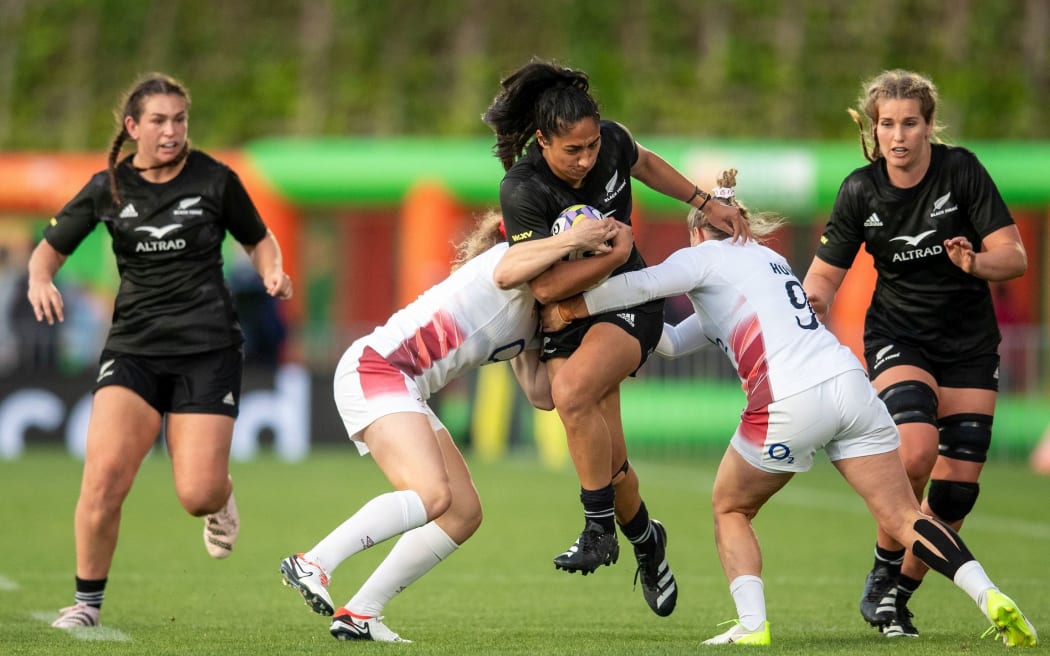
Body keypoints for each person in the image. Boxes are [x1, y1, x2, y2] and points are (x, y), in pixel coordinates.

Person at [542, 170, 1038, 648]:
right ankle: (988, 594)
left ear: (700, 227)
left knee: (730, 507)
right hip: (848, 384)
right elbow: (669, 342)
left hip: (790, 399)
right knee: (905, 515)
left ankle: (752, 624)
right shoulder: (764, 259)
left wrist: (567, 307)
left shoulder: (707, 255)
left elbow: (639, 287)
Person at [481, 57, 748, 618]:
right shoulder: (522, 188)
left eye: (591, 147)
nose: (585, 160)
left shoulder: (613, 142)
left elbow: (644, 161)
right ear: (541, 141)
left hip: (631, 303)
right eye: (571, 151)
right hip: (566, 314)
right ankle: (648, 544)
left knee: (570, 393)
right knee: (613, 464)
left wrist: (703, 202)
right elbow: (550, 287)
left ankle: (596, 527)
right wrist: (616, 251)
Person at [28, 72, 294, 629]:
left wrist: (272, 271)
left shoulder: (216, 180)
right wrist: (39, 281)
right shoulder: (108, 187)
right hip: (133, 350)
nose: (172, 131)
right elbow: (48, 251)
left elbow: (258, 238)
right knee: (103, 479)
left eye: (180, 120)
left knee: (196, 493)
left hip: (208, 350)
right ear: (133, 127)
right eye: (159, 120)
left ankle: (221, 496)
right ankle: (85, 604)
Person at [279, 211, 620, 643]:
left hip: (406, 385)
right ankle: (314, 563)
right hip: (378, 368)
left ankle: (361, 613)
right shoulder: (508, 261)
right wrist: (580, 240)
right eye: (582, 257)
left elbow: (540, 394)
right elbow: (512, 268)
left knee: (462, 513)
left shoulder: (537, 310)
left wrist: (562, 337)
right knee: (432, 495)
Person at [801, 70, 1028, 638]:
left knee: (954, 495)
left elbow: (1015, 256)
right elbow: (823, 280)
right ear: (873, 130)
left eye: (909, 123)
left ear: (929, 127)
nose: (897, 136)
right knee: (914, 452)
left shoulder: (963, 171)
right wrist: (809, 311)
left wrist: (975, 262)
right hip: (899, 336)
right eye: (886, 124)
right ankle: (883, 572)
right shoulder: (860, 190)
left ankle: (896, 596)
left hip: (970, 344)